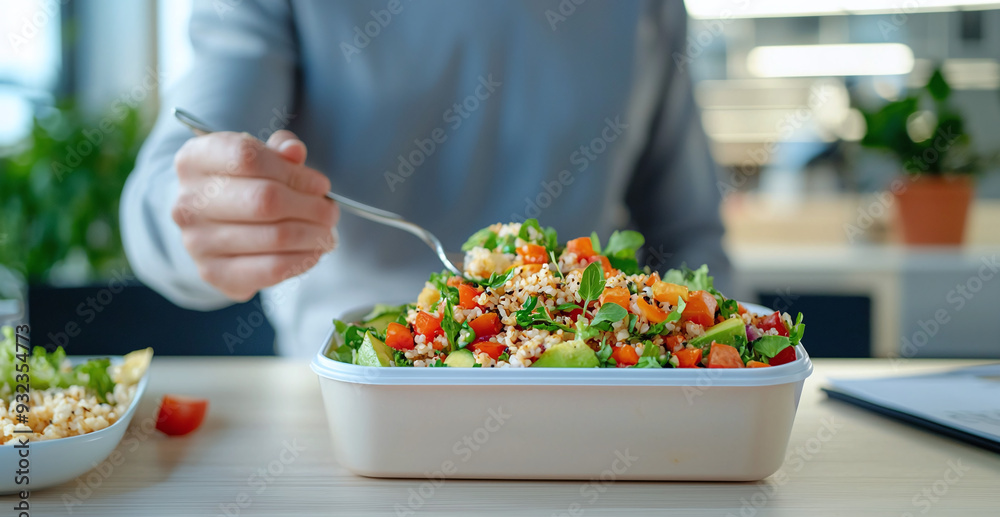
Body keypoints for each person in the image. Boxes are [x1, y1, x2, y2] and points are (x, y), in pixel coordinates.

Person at [121, 0, 730, 357]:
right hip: (348, 407)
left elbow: (690, 230)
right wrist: (200, 216)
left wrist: (714, 375)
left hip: (594, 401)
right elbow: (168, 187)